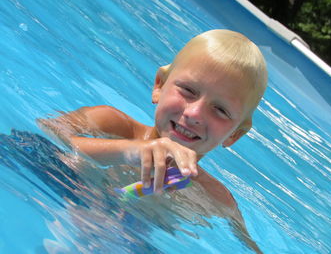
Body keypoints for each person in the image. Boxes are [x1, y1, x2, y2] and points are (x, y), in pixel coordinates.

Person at [38, 29, 267, 253]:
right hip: (64, 198)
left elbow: (247, 246)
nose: (195, 114)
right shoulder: (110, 124)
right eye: (188, 90)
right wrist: (130, 151)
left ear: (235, 134)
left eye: (220, 110)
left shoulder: (215, 197)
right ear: (159, 84)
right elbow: (50, 129)